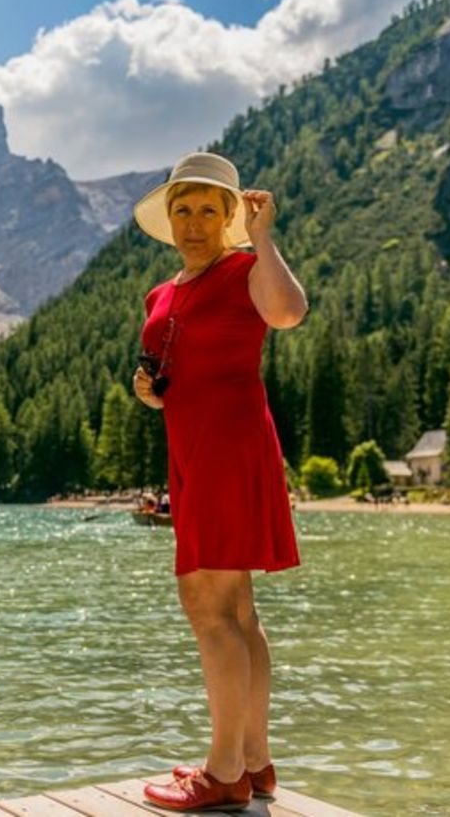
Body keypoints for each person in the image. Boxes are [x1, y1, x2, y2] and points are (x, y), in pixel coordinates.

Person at [131, 151, 308, 812]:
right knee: (236, 612)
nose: (195, 221)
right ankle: (255, 759)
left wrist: (263, 238)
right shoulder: (163, 291)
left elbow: (289, 312)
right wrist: (150, 393)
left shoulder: (243, 269)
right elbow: (172, 369)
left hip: (229, 450)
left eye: (210, 209)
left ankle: (223, 769)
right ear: (169, 218)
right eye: (184, 208)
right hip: (198, 452)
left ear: (230, 215)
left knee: (208, 611)